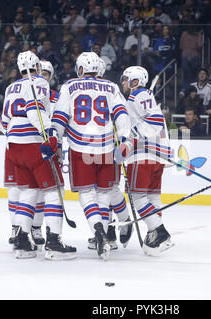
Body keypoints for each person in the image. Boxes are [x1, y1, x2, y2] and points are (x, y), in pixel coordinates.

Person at [0, 50, 76, 260]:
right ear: (38, 67)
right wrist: (49, 135)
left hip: (14, 146)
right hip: (34, 144)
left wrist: (15, 136)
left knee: (28, 192)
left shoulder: (10, 87)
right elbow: (35, 110)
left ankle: (22, 242)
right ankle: (54, 243)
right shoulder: (39, 81)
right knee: (54, 191)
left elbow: (2, 123)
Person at [52, 52, 131, 260]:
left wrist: (55, 142)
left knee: (87, 193)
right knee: (104, 192)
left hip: (81, 146)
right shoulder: (111, 87)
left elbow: (60, 116)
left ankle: (98, 231)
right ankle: (104, 236)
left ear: (80, 69)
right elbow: (122, 114)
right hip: (105, 146)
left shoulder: (70, 86)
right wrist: (125, 140)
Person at [120, 65, 174, 256]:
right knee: (152, 198)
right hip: (156, 156)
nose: (124, 83)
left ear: (135, 81)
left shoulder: (138, 96)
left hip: (143, 155)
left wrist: (128, 139)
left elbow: (156, 121)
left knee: (137, 197)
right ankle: (154, 234)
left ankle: (159, 231)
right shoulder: (144, 97)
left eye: (126, 79)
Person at [87, 57, 133, 252]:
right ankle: (109, 230)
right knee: (101, 191)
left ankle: (119, 223)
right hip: (93, 146)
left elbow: (123, 116)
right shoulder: (89, 90)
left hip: (110, 147)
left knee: (108, 189)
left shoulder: (109, 90)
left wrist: (123, 140)